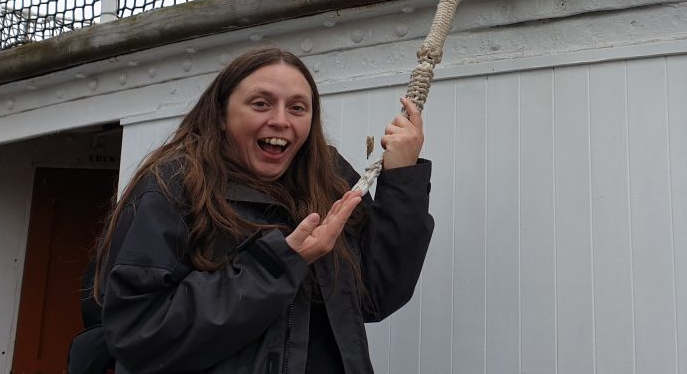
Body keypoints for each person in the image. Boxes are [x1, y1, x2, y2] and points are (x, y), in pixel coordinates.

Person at [93, 45, 434, 373]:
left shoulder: (328, 180)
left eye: (298, 108)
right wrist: (279, 265)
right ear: (222, 115)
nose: (281, 120)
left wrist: (402, 176)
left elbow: (375, 296)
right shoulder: (172, 186)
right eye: (261, 104)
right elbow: (137, 332)